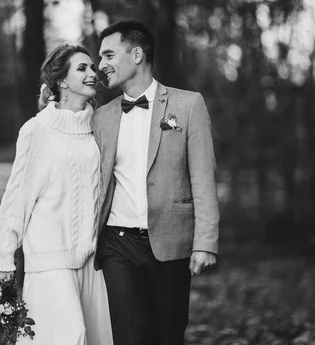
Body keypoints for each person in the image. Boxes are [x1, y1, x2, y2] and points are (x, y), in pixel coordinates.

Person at [93, 20, 220, 345]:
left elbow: (203, 177)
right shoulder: (102, 116)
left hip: (170, 242)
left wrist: (204, 242)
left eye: (108, 55)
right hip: (117, 243)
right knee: (129, 337)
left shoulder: (188, 105)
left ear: (137, 54)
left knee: (167, 335)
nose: (101, 65)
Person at [0, 44, 113, 345]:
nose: (92, 73)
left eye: (92, 67)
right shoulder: (38, 131)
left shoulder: (99, 129)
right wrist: (6, 261)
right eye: (82, 68)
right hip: (50, 262)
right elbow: (18, 198)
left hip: (91, 262)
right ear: (61, 81)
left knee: (99, 340)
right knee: (69, 338)